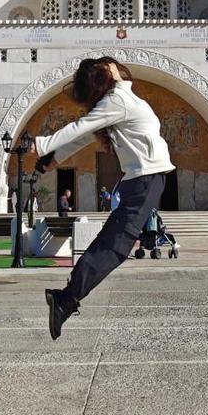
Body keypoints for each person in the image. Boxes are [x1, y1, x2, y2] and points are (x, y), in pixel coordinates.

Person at [29, 56, 174, 340]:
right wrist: (44, 145)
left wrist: (54, 158)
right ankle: (66, 299)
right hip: (145, 180)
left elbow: (85, 136)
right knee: (115, 246)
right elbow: (81, 128)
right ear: (106, 71)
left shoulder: (120, 99)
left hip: (145, 180)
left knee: (112, 242)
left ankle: (66, 298)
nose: (115, 65)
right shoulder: (117, 99)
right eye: (109, 64)